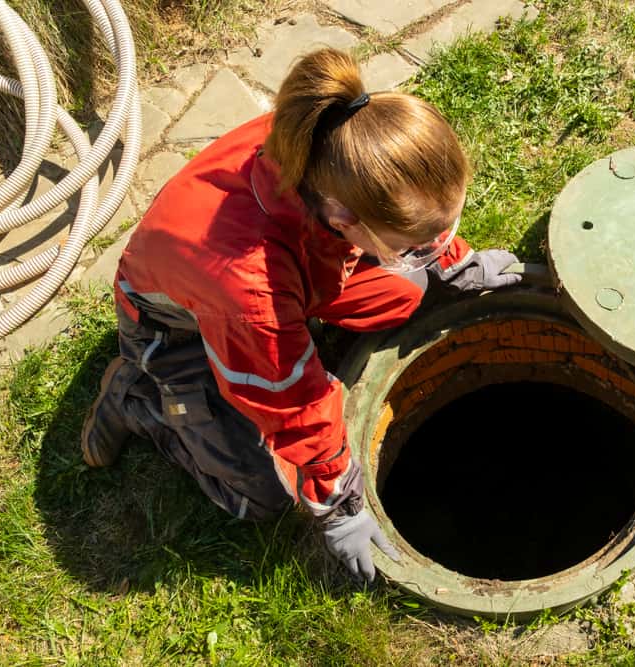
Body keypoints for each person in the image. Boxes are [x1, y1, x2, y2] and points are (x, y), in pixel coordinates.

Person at [80, 48, 522, 582]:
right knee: (260, 494)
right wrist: (338, 500)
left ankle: (337, 300)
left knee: (407, 291)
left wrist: (454, 267)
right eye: (418, 244)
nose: (433, 248)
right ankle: (139, 398)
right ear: (343, 215)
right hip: (178, 329)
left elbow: (407, 219)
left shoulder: (330, 139)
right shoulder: (252, 293)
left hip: (301, 262)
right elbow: (292, 401)